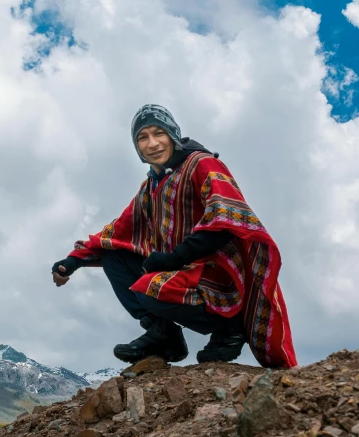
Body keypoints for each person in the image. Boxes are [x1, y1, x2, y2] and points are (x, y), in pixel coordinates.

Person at [52, 104, 297, 368]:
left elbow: (226, 219)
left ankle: (230, 327)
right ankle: (164, 334)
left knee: (151, 288)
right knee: (114, 255)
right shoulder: (150, 186)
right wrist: (73, 261)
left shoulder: (203, 164)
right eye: (142, 137)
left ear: (173, 134)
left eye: (159, 133)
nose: (152, 143)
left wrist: (174, 257)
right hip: (180, 270)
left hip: (220, 274)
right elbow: (117, 231)